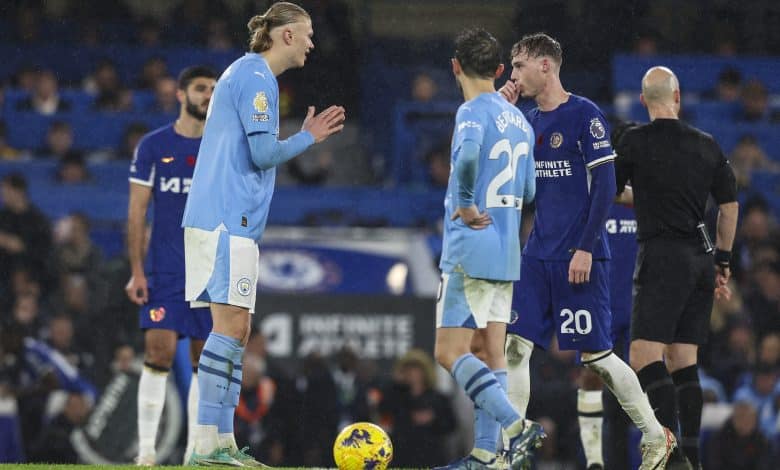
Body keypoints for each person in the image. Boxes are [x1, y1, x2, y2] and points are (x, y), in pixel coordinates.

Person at [498, 33, 676, 470]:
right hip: (537, 254)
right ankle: (510, 447)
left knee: (597, 359)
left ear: (545, 66)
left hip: (579, 257)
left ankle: (656, 435)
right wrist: (501, 116)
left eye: (519, 66)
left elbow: (606, 186)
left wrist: (585, 248)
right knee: (515, 347)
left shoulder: (585, 115)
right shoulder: (525, 120)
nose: (513, 74)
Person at [181, 2, 345, 466]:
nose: (312, 42)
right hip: (226, 218)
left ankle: (222, 443)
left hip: (227, 219)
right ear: (286, 35)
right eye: (307, 33)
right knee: (230, 328)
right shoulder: (257, 77)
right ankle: (206, 445)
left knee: (238, 329)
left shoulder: (247, 73)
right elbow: (263, 154)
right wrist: (309, 136)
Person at [614, 66, 739, 470]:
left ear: (642, 100)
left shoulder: (634, 141)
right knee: (684, 361)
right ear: (678, 97)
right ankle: (693, 458)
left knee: (643, 356)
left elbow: (612, 191)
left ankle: (670, 455)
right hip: (701, 258)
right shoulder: (706, 144)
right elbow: (729, 206)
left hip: (663, 256)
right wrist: (723, 259)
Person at [432, 27, 541, 470]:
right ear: (499, 70)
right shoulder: (521, 122)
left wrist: (464, 201)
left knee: (448, 351)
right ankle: (484, 454)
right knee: (490, 352)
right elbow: (529, 191)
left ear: (455, 66)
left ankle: (516, 426)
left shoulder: (471, 112)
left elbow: (469, 155)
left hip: (470, 248)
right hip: (506, 250)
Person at [124, 65, 218, 466]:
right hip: (165, 268)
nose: (208, 96)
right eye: (201, 88)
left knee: (204, 361)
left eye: (213, 89)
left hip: (209, 267)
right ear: (181, 94)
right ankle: (146, 452)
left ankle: (194, 454)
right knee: (158, 352)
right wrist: (137, 270)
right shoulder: (153, 145)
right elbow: (136, 213)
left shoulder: (223, 146)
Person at [575, 121, 640, 470]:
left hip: (640, 305)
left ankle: (654, 457)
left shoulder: (652, 195)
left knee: (646, 385)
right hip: (600, 302)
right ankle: (594, 461)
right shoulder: (592, 190)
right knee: (591, 377)